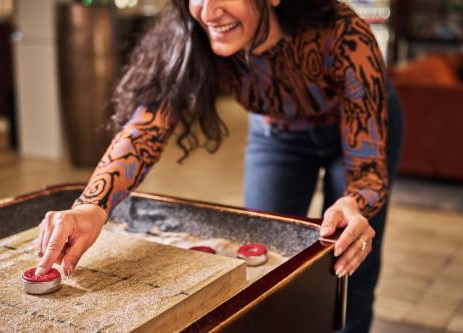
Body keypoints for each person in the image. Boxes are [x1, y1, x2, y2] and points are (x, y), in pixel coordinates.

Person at [35, 0, 403, 332]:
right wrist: (90, 206)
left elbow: (366, 165)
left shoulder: (343, 31)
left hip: (354, 127)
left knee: (352, 257)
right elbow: (145, 130)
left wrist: (355, 201)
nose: (209, 13)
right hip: (275, 131)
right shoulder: (192, 36)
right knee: (262, 258)